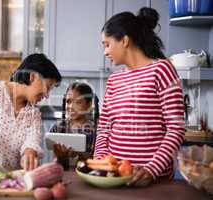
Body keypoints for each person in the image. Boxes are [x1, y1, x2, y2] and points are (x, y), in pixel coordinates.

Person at [94, 7, 185, 187]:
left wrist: (152, 169)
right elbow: (104, 128)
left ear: (125, 40)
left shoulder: (162, 70)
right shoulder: (114, 79)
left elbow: (176, 128)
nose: (105, 52)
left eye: (107, 44)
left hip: (153, 182)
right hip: (114, 178)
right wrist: (100, 163)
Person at [50, 82, 99, 169]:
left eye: (78, 102)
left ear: (89, 104)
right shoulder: (57, 128)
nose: (71, 106)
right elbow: (55, 164)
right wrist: (62, 157)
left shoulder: (96, 131)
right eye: (68, 101)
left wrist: (81, 155)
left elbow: (98, 165)